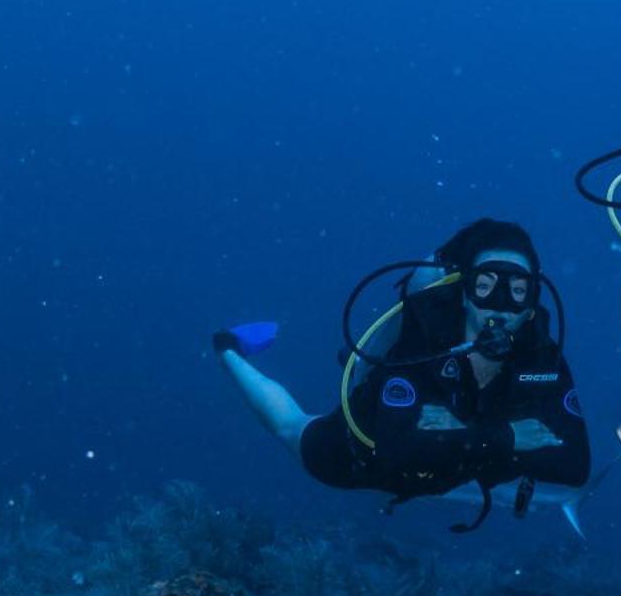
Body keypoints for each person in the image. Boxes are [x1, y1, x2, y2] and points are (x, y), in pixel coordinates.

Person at [216, 219, 590, 521]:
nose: (500, 306)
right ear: (464, 293)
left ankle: (359, 360)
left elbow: (574, 468)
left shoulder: (542, 359)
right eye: (485, 286)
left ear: (532, 305)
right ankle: (229, 349)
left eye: (518, 291)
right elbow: (397, 451)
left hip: (447, 475)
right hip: (361, 458)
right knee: (289, 427)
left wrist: (458, 436)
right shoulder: (423, 345)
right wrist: (507, 438)